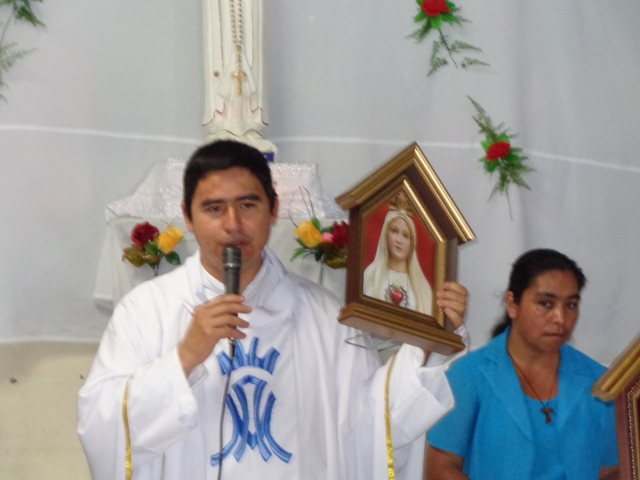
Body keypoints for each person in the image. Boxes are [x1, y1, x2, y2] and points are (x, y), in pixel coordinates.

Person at [78, 140, 469, 480]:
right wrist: (183, 359)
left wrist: (427, 345)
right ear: (188, 217)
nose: (233, 224)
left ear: (273, 208)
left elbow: (371, 427)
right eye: (214, 208)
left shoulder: (324, 317)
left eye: (248, 205)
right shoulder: (146, 311)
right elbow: (101, 426)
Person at [426, 249, 619, 480]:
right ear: (512, 304)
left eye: (570, 305)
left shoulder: (601, 384)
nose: (560, 318)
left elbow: (613, 471)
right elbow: (440, 468)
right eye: (545, 303)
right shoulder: (469, 376)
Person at [363, 196, 433, 315]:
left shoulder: (422, 287)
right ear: (386, 234)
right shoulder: (370, 274)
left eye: (405, 236)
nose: (399, 240)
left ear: (412, 243)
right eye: (394, 231)